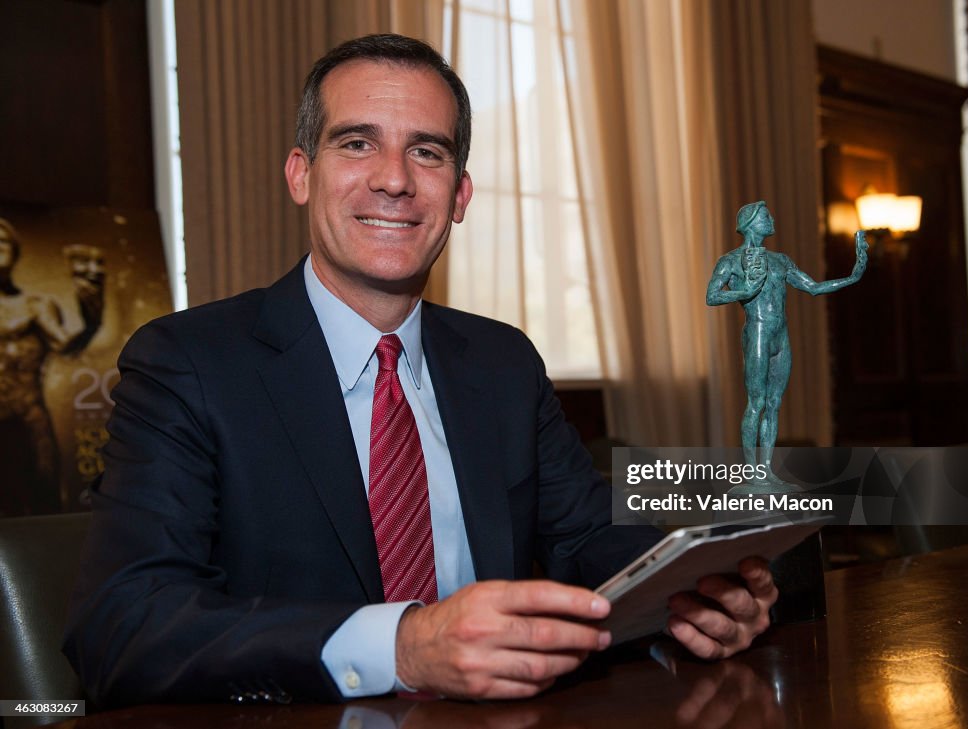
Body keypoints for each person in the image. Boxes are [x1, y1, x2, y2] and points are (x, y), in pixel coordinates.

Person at [64, 34, 778, 707]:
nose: (395, 180)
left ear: (459, 196)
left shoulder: (503, 363)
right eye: (356, 143)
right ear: (300, 175)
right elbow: (125, 624)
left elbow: (587, 536)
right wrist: (402, 645)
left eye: (427, 152)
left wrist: (695, 588)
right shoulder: (187, 363)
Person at [706, 202, 868, 489]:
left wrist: (853, 276)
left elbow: (814, 287)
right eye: (766, 216)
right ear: (751, 223)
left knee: (774, 403)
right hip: (758, 332)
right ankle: (752, 472)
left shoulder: (781, 260)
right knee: (756, 403)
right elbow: (712, 296)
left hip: (781, 336)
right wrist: (745, 291)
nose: (771, 219)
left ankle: (766, 470)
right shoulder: (731, 261)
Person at [0, 219, 105, 516]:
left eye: (3, 241)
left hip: (27, 420)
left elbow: (67, 345)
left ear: (15, 251)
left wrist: (92, 315)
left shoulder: (35, 305)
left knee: (40, 502)